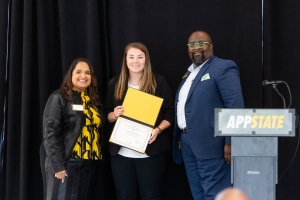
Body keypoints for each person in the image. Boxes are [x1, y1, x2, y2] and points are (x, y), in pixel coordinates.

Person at [173, 30, 244, 200]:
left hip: (213, 143)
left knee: (215, 194)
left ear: (211, 46)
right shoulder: (188, 73)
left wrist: (231, 141)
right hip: (188, 143)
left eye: (201, 43)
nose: (196, 47)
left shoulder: (223, 67)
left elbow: (234, 106)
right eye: (192, 44)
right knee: (198, 193)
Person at [105, 42, 174, 200]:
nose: (135, 61)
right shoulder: (115, 83)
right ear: (125, 60)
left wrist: (158, 129)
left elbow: (170, 113)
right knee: (124, 196)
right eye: (131, 57)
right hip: (121, 153)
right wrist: (114, 115)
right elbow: (106, 114)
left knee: (151, 196)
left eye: (140, 57)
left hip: (151, 152)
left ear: (146, 59)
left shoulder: (158, 82)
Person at [42, 58, 105, 200]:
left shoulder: (94, 101)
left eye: (87, 73)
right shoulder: (59, 97)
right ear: (71, 75)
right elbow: (50, 133)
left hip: (90, 164)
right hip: (67, 162)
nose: (83, 76)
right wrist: (58, 165)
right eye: (78, 72)